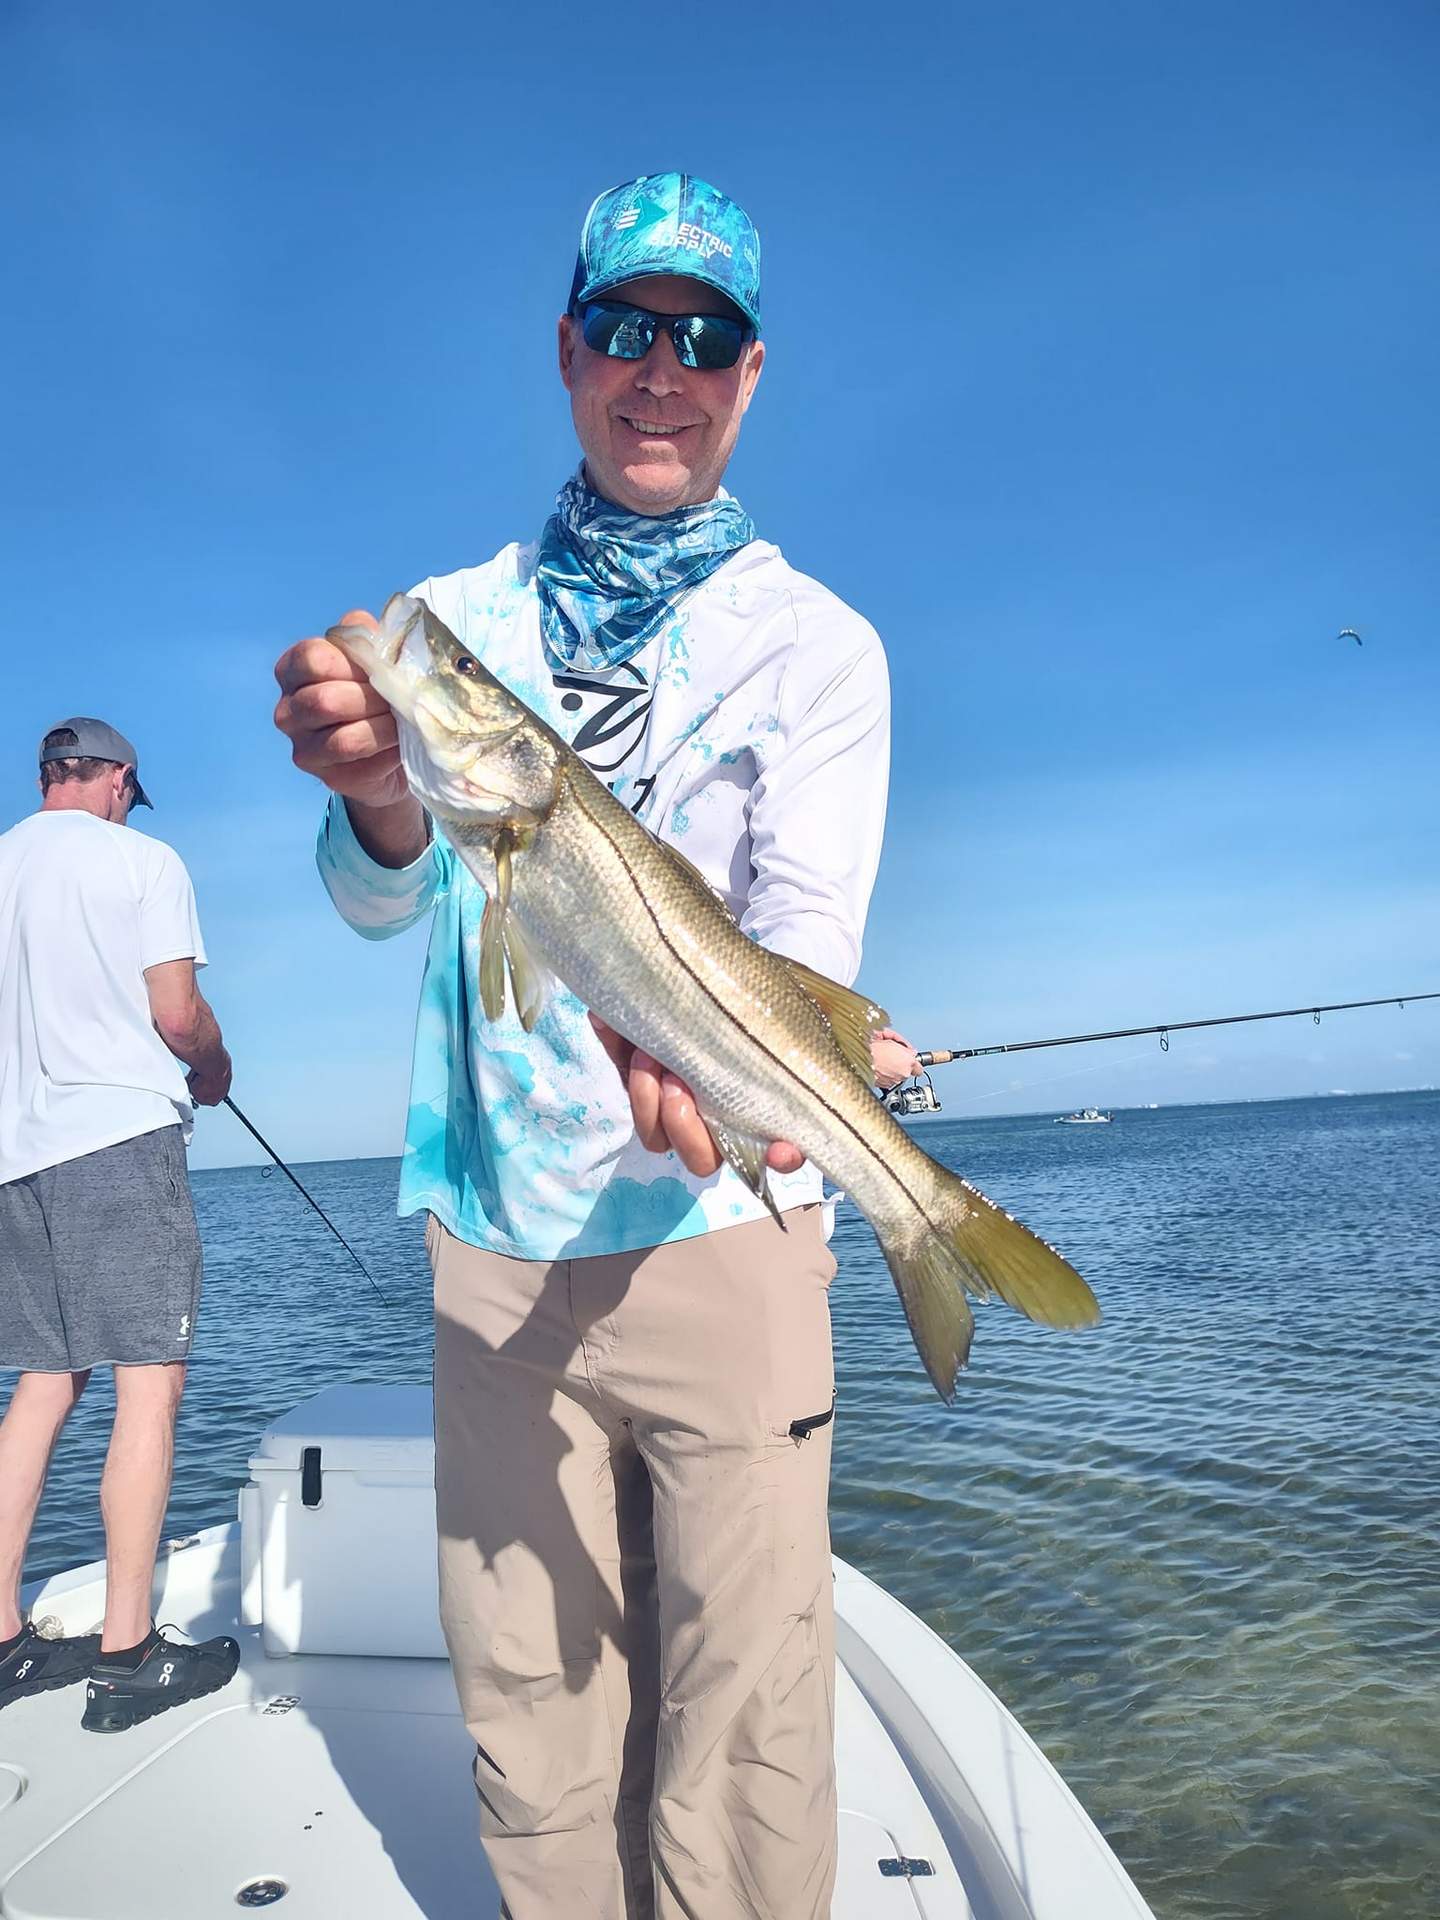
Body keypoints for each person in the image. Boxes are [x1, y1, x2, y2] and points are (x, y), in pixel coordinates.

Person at [274, 173, 920, 1918]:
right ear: (566, 351)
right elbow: (379, 902)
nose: (662, 368)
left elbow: (804, 940)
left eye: (702, 337)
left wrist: (727, 1064)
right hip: (492, 1248)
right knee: (533, 1713)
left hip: (732, 1237)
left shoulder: (817, 644)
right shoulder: (451, 622)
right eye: (625, 328)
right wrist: (374, 806)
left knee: (748, 1725)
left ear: (752, 371)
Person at [0, 719, 241, 1732]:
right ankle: (127, 1656)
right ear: (119, 783)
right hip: (116, 1140)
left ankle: (5, 1645)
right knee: (153, 1381)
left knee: (44, 1384)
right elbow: (177, 1013)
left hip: (15, 1157)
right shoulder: (143, 859)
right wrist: (216, 1067)